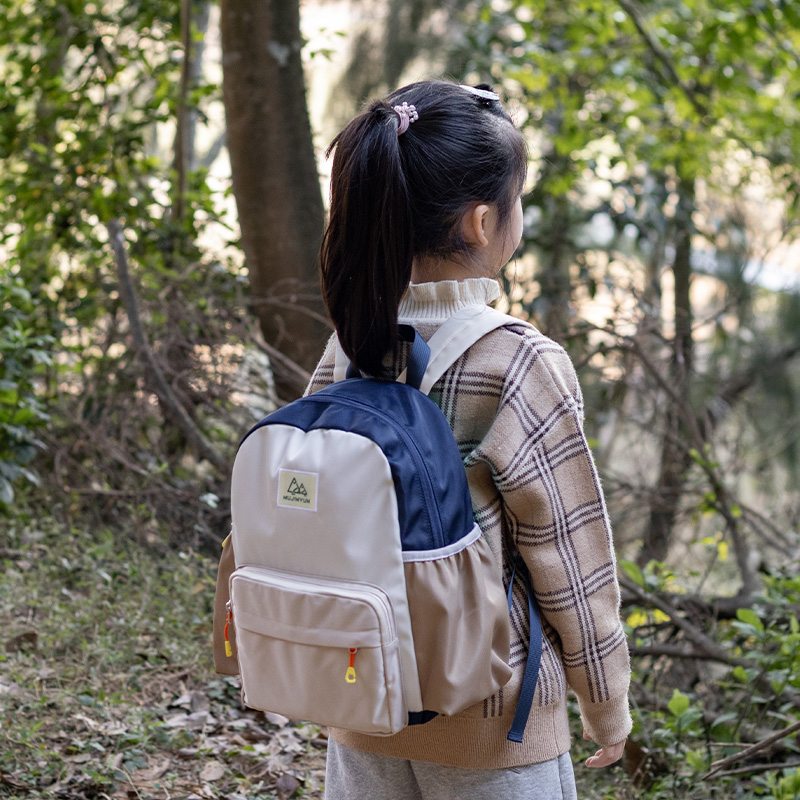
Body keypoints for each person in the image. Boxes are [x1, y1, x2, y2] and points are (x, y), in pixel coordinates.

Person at [305, 79, 632, 800]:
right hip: (495, 723)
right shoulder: (520, 361)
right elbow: (570, 557)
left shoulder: (353, 344)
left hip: (364, 701)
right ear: (484, 222)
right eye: (519, 200)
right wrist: (606, 703)